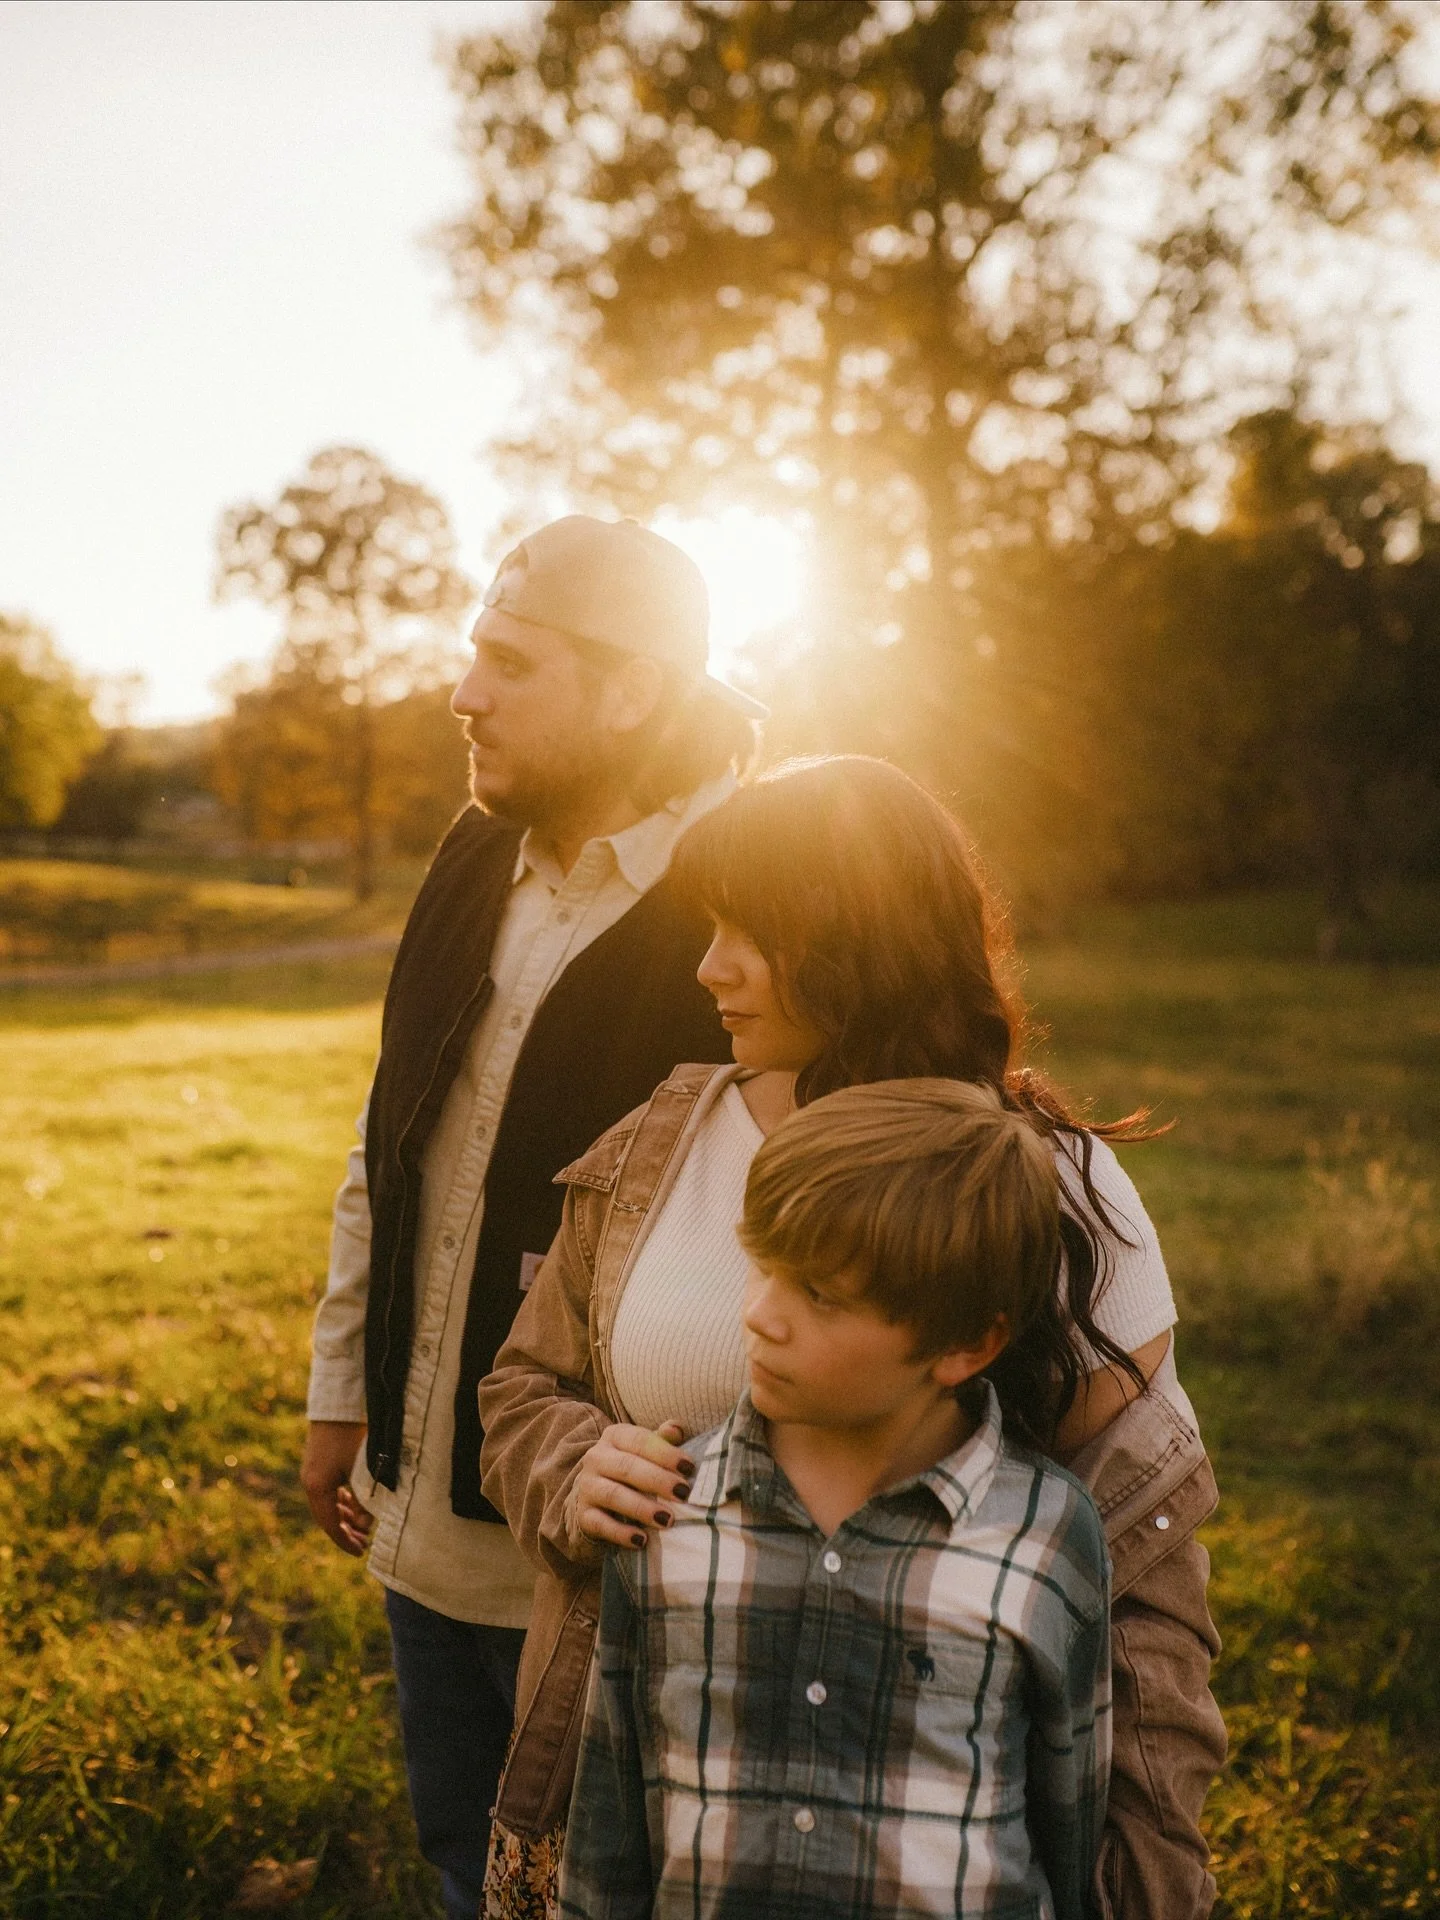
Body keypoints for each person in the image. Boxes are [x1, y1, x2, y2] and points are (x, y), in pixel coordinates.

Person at [479, 755, 1226, 1920]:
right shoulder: (653, 1147)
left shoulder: (1053, 1188)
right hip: (675, 1788)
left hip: (923, 1824)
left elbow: (1132, 1563)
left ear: (861, 941)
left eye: (752, 931)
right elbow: (524, 1386)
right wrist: (573, 1464)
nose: (707, 966)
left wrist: (1137, 1877)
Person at [299, 513, 764, 1920]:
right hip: (418, 1506)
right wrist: (344, 1394)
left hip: (615, 1548)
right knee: (464, 1862)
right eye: (469, 655)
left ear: (631, 690)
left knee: (614, 1888)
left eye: (510, 663)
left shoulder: (749, 896)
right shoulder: (468, 857)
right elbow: (392, 1143)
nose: (463, 693)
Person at [559, 1079, 1111, 1920]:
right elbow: (608, 1831)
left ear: (968, 1343)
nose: (760, 1315)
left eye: (820, 1295)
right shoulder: (666, 1507)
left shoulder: (1046, 1536)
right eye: (763, 1268)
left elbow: (1069, 1831)